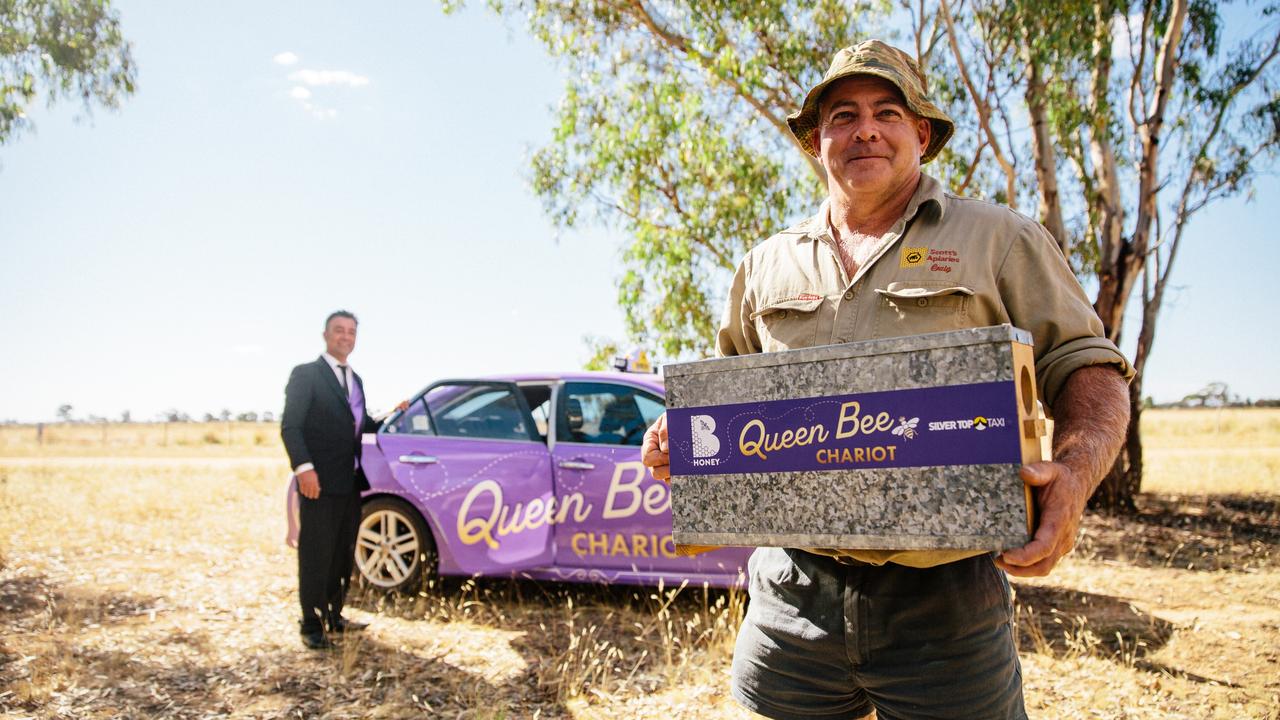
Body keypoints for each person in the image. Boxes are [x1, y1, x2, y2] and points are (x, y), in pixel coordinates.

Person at [642, 40, 1133, 719]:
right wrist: (678, 444)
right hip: (790, 597)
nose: (864, 129)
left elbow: (1088, 367)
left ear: (921, 134)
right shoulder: (765, 266)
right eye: (843, 115)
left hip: (945, 606)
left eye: (888, 112)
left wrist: (1076, 475)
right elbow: (719, 410)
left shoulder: (1000, 239)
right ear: (818, 141)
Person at [281, 310, 395, 650]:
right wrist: (305, 470)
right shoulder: (307, 375)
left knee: (341, 553)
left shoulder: (355, 379)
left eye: (351, 332)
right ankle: (311, 624)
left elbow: (358, 424)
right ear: (326, 335)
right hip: (318, 481)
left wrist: (394, 415)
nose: (345, 337)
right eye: (339, 330)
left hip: (350, 481)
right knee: (316, 553)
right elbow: (291, 426)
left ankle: (334, 614)